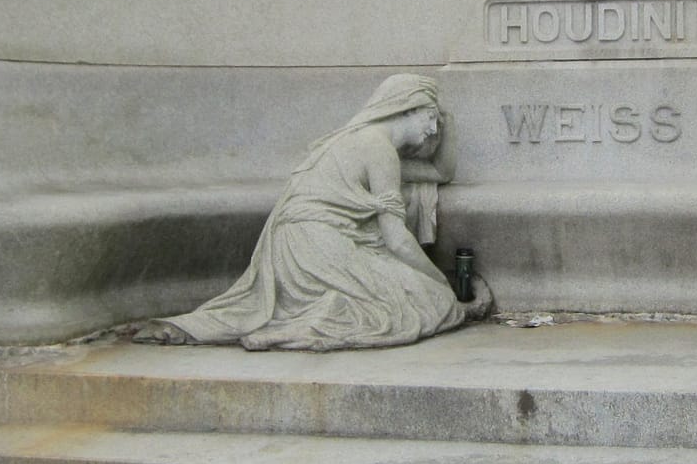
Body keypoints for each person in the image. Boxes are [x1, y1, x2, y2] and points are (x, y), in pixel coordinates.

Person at [135, 75, 473, 351]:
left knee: (412, 295)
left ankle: (287, 328)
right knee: (433, 301)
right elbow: (397, 240)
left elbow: (441, 173)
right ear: (408, 108)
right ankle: (296, 330)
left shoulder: (358, 142)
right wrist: (440, 280)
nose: (433, 131)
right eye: (430, 117)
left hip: (294, 247)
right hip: (318, 248)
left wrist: (450, 121)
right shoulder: (379, 149)